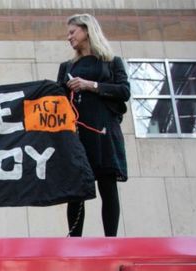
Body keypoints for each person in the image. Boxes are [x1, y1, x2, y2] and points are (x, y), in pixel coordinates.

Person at [56, 13, 130, 237]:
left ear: (87, 30)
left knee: (108, 186)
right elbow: (58, 99)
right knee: (76, 190)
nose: (69, 37)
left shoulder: (112, 62)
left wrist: (91, 85)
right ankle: (75, 242)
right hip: (77, 135)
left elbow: (124, 91)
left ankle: (111, 241)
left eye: (72, 32)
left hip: (104, 133)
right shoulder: (66, 67)